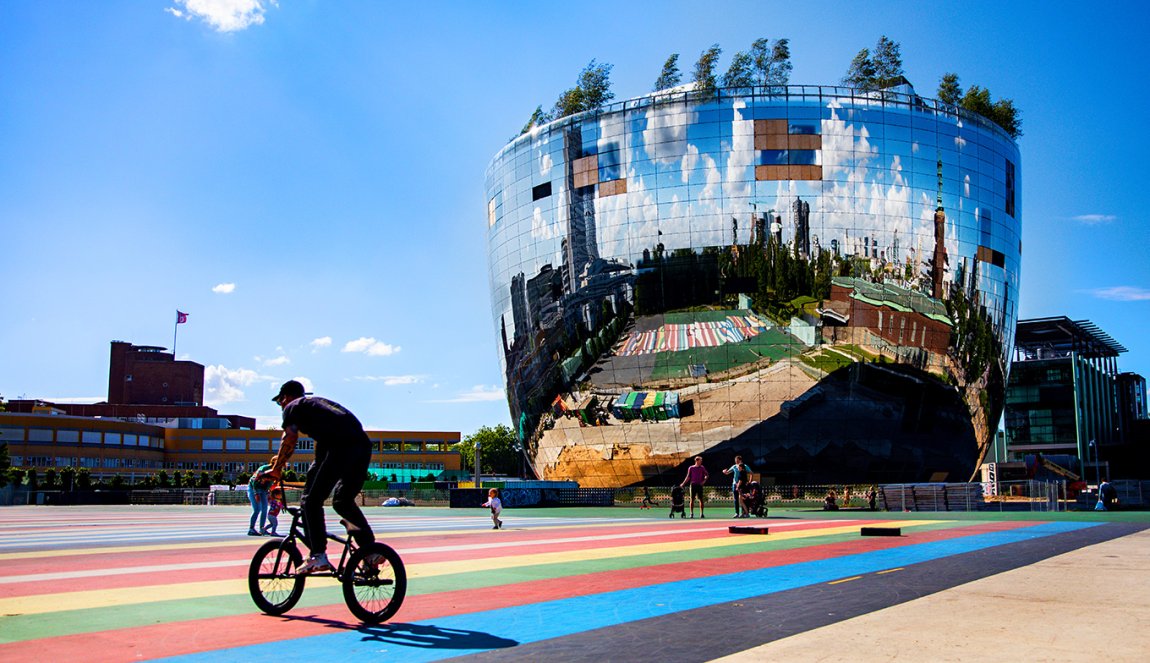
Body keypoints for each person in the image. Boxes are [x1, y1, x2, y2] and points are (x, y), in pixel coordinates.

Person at [268, 380, 378, 574]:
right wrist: (305, 492)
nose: (281, 406)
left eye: (280, 402)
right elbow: (317, 466)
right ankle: (370, 552)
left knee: (312, 503)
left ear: (287, 397)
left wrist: (277, 469)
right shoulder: (322, 418)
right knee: (342, 501)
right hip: (362, 447)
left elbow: (289, 438)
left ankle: (318, 555)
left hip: (343, 447)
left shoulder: (293, 406)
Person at [247, 459, 274, 536]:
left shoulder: (276, 472)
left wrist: (269, 493)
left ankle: (262, 529)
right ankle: (251, 529)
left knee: (265, 509)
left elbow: (270, 484)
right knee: (257, 509)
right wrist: (256, 493)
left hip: (263, 490)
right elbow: (254, 480)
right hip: (253, 488)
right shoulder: (264, 468)